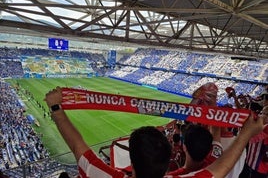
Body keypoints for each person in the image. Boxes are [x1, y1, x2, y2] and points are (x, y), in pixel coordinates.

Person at [45, 87, 265, 178]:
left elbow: (77, 147)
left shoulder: (105, 174)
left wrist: (56, 107)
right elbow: (220, 168)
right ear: (171, 154)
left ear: (130, 158)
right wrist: (246, 134)